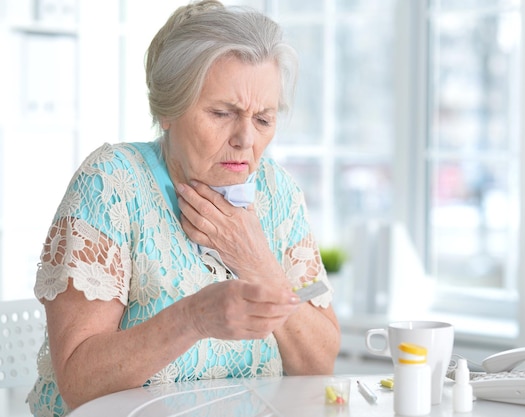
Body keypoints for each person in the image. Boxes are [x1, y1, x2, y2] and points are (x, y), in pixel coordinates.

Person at [26, 1, 340, 415]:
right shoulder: (111, 185)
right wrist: (193, 318)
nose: (246, 139)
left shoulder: (279, 194)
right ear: (168, 110)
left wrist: (260, 263)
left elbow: (319, 362)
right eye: (222, 113)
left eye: (263, 119)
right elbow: (78, 385)